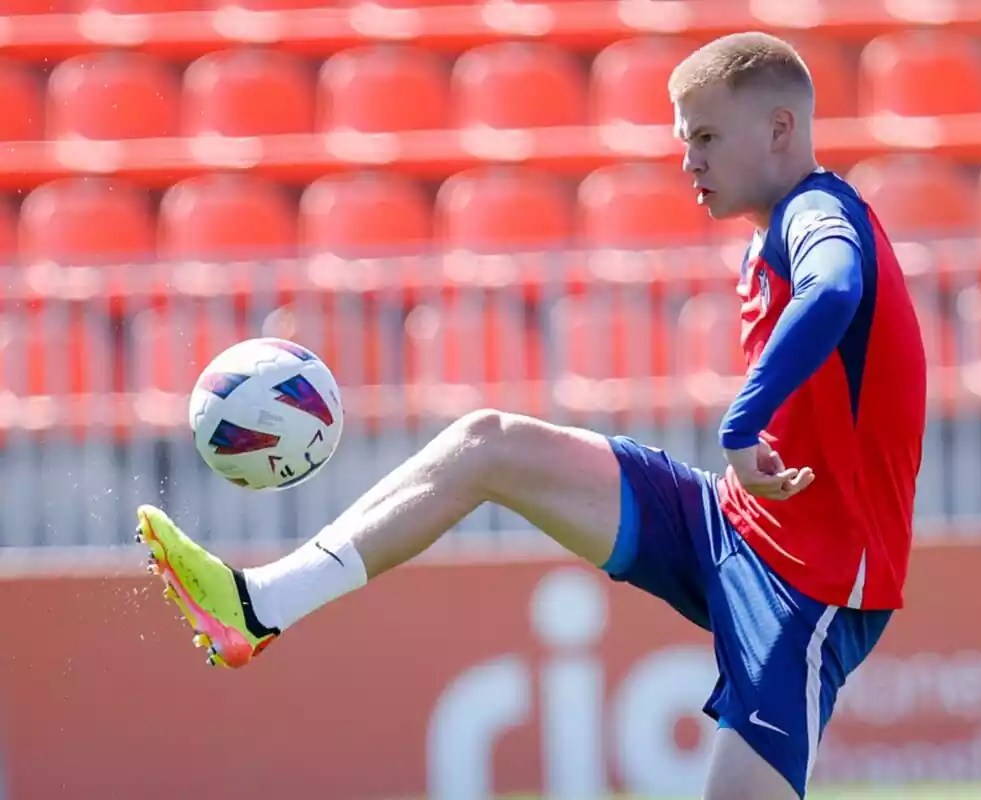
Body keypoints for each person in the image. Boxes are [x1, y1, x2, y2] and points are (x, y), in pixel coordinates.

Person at [136, 32, 927, 799]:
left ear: (781, 128)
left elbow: (834, 289)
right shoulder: (767, 236)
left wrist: (740, 425)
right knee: (489, 445)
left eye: (708, 136)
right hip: (731, 525)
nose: (690, 160)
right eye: (686, 140)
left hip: (811, 586)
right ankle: (260, 604)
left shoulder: (817, 213)